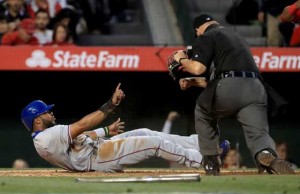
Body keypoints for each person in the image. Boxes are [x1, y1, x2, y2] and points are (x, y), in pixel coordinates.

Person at [172, 13, 295, 175]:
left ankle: (210, 161)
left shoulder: (207, 36)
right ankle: (266, 155)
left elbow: (197, 69)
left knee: (202, 111)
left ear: (198, 29)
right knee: (258, 133)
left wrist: (181, 59)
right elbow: (227, 75)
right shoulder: (236, 37)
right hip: (256, 89)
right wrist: (194, 82)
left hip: (229, 87)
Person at [20, 83, 204, 173]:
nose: (50, 114)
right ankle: (202, 160)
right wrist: (110, 105)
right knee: (153, 143)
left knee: (145, 132)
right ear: (37, 120)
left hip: (97, 150)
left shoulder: (45, 137)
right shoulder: (46, 137)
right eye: (46, 112)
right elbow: (83, 125)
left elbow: (80, 135)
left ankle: (201, 144)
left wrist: (106, 131)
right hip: (98, 159)